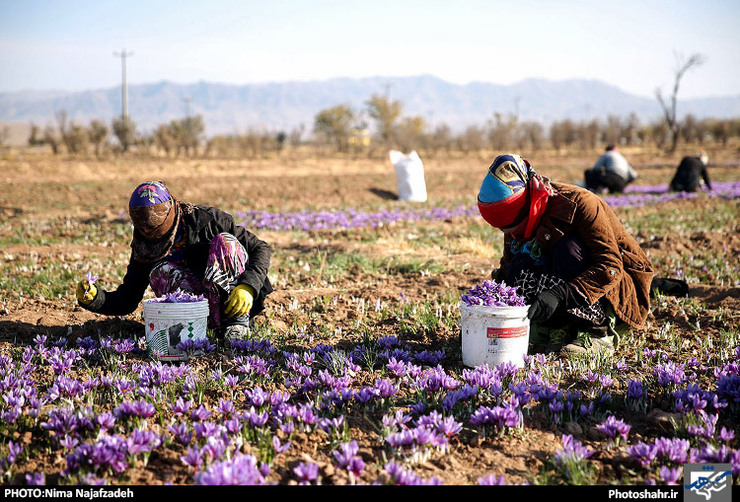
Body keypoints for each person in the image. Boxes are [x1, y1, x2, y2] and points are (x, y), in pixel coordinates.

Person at [478, 153, 654, 355]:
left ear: (529, 203)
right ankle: (558, 327)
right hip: (562, 276)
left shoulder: (580, 204)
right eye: (505, 230)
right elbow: (508, 269)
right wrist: (485, 317)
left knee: (567, 250)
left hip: (615, 283)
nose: (510, 234)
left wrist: (559, 295)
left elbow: (610, 266)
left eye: (514, 226)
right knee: (518, 267)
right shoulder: (516, 224)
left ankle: (597, 333)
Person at [76, 181, 273, 341]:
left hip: (232, 300)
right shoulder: (145, 248)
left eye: (153, 228)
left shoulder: (206, 220)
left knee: (226, 242)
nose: (147, 233)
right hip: (193, 317)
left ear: (170, 212)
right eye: (142, 228)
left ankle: (236, 325)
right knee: (160, 270)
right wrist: (96, 298)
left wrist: (248, 287)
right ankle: (196, 329)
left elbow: (260, 248)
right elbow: (128, 298)